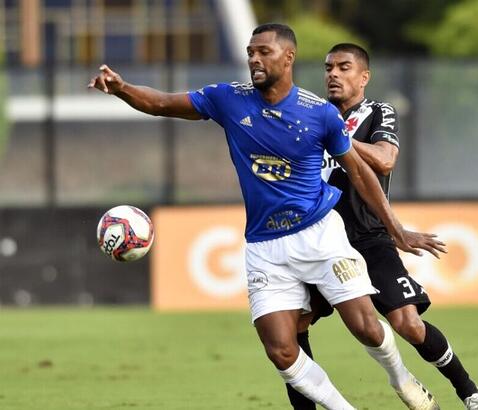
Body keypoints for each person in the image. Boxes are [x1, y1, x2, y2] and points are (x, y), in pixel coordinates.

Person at [88, 24, 444, 410]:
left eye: (264, 52)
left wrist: (396, 230)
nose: (254, 59)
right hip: (265, 246)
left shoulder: (319, 113)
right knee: (281, 352)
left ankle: (402, 379)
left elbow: (360, 172)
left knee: (367, 329)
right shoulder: (228, 99)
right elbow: (161, 103)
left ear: (287, 57)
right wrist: (122, 88)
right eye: (250, 52)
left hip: (320, 234)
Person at [284, 43, 478, 410]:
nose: (333, 74)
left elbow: (385, 159)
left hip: (368, 237)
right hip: (315, 238)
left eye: (344, 67)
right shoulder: (310, 115)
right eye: (328, 67)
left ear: (363, 77)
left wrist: (337, 137)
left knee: (408, 324)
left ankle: (471, 395)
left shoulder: (377, 111)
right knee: (293, 328)